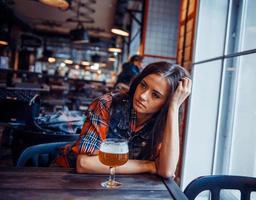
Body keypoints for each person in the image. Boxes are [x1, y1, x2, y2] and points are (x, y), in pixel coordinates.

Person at [56, 61, 192, 178]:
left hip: (122, 185)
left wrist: (173, 108)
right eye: (143, 85)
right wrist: (149, 166)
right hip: (65, 177)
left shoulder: (164, 121)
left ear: (166, 103)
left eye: (155, 95)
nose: (143, 96)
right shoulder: (107, 104)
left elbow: (166, 171)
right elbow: (84, 164)